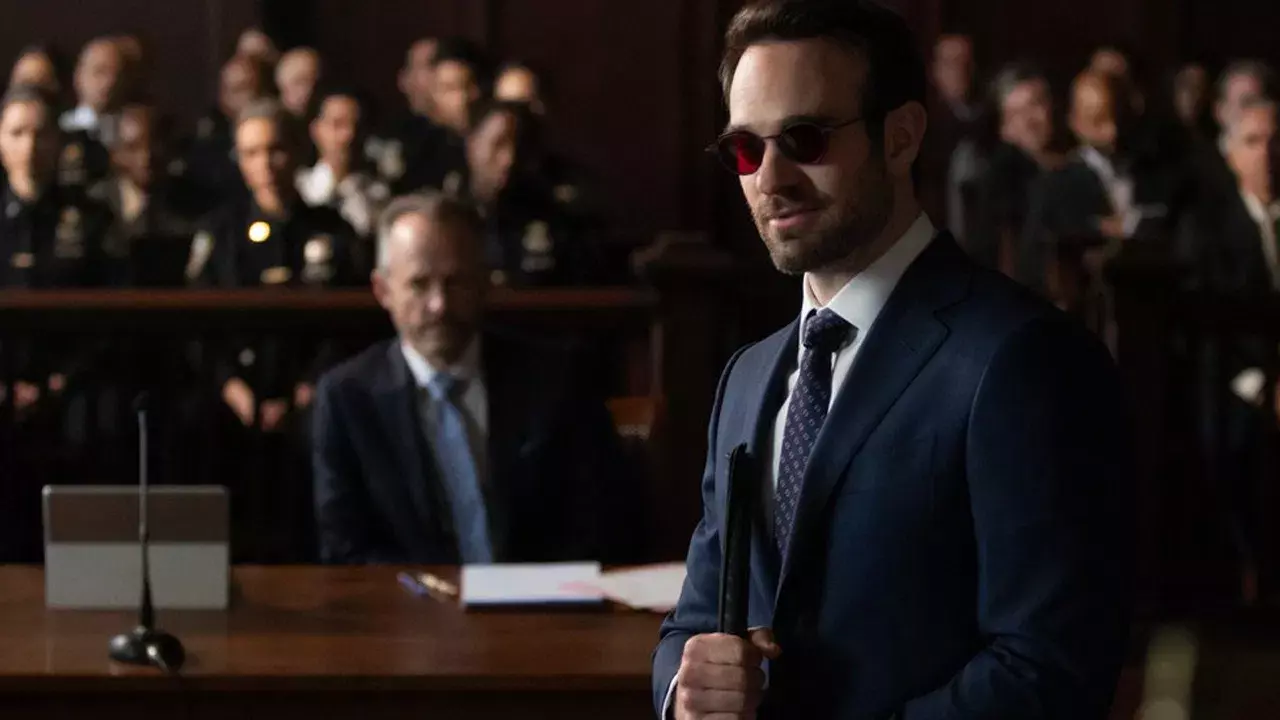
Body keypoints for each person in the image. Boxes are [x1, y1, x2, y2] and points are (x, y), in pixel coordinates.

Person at [654, 2, 1132, 718]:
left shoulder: (1025, 358)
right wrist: (685, 691)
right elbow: (692, 625)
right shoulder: (748, 377)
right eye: (746, 150)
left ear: (902, 137)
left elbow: (1049, 670)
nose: (770, 178)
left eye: (805, 138)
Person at [312, 192, 629, 564]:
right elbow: (346, 550)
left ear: (484, 281)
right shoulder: (346, 399)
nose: (439, 305)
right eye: (419, 284)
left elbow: (602, 523)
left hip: (547, 596)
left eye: (456, 282)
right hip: (408, 600)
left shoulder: (557, 380)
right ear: (383, 291)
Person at [190, 99, 360, 429]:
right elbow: (198, 323)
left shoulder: (331, 229)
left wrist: (308, 389)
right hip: (230, 400)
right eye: (251, 153)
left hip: (316, 396)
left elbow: (347, 322)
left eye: (275, 150)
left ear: (297, 151)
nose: (265, 164)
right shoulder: (220, 232)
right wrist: (233, 389)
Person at [1177, 98, 1280, 599]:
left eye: (1276, 141)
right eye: (1253, 142)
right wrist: (1265, 386)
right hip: (1235, 382)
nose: (1268, 154)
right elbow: (1208, 322)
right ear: (1231, 155)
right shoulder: (1207, 227)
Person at [1020, 71, 1173, 294]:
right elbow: (1039, 258)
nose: (1112, 132)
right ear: (1075, 121)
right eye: (1098, 120)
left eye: (1117, 117)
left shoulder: (1154, 174)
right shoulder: (1056, 185)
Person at [445, 99, 594, 286]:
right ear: (472, 144)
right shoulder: (449, 213)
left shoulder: (549, 214)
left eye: (517, 146)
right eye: (498, 144)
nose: (509, 159)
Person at [961, 62, 1063, 271]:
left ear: (1052, 107)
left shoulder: (1077, 167)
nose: (1028, 121)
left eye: (1035, 105)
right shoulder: (1000, 182)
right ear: (1002, 128)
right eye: (1015, 113)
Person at [91, 103, 193, 285]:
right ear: (114, 153)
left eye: (154, 144)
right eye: (133, 148)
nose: (146, 157)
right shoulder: (94, 204)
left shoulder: (191, 204)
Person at [173, 54, 266, 218]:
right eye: (237, 90)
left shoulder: (284, 143)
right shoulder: (205, 157)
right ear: (223, 98)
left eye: (252, 88)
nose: (247, 98)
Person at [297, 86, 389, 238]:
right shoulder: (299, 188)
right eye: (338, 125)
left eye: (356, 126)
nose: (349, 135)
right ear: (316, 129)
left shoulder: (381, 194)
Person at [921, 32, 982, 223]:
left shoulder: (989, 121)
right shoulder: (923, 127)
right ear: (935, 71)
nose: (959, 71)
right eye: (950, 63)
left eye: (965, 63)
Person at [59, 38, 125, 145]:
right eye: (100, 71)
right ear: (79, 75)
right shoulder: (60, 129)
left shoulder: (130, 134)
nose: (109, 82)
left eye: (116, 74)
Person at [275, 47, 321, 121]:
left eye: (313, 81)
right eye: (301, 82)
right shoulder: (269, 121)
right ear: (282, 83)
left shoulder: (319, 119)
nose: (310, 89)